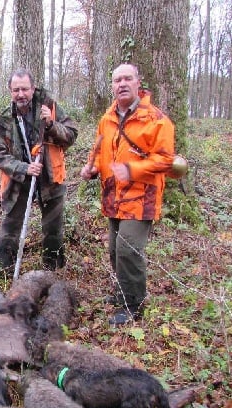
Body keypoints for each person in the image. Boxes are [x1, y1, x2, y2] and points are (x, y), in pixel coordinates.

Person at [80, 63, 175, 325]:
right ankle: (123, 292)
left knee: (128, 249)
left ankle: (134, 305)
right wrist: (92, 168)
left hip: (141, 198)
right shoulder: (107, 118)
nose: (121, 84)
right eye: (117, 80)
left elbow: (166, 160)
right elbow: (100, 151)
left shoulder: (157, 120)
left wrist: (131, 170)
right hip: (113, 196)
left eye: (127, 79)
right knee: (113, 250)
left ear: (137, 83)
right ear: (112, 86)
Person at [0, 68, 78, 271]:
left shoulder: (50, 108)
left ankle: (52, 266)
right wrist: (24, 168)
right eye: (16, 90)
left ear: (33, 88)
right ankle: (1, 265)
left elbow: (71, 135)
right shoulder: (4, 120)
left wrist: (51, 125)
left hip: (49, 176)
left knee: (53, 226)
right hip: (19, 179)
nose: (21, 94)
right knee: (11, 223)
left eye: (25, 89)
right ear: (10, 91)